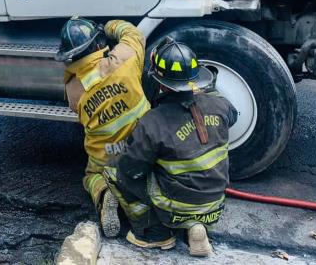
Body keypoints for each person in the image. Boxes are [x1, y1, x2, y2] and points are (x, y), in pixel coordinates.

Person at [103, 38, 237, 257]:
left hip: (176, 208)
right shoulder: (220, 105)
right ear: (196, 77)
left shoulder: (152, 122)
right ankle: (195, 228)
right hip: (214, 204)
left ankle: (155, 235)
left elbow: (132, 169)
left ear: (161, 83)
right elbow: (231, 117)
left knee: (115, 171)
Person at [56, 17, 150, 238]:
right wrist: (110, 26)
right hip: (142, 145)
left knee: (90, 176)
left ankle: (104, 191)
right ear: (98, 44)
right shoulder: (124, 60)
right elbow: (135, 35)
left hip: (106, 154)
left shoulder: (72, 91)